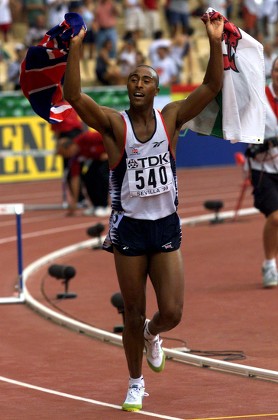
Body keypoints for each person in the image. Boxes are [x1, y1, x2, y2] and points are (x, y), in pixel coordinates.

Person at [63, 12, 224, 411]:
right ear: (127, 87)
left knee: (171, 311)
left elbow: (212, 85)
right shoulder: (115, 127)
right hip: (129, 230)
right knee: (131, 311)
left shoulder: (170, 118)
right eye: (133, 78)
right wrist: (77, 46)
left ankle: (155, 333)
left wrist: (215, 39)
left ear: (156, 89)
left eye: (146, 79)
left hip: (165, 225)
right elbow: (75, 98)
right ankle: (135, 383)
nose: (138, 84)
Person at [244, 56, 278, 288]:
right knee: (275, 218)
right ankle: (269, 265)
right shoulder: (260, 97)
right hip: (263, 168)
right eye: (277, 70)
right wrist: (259, 143)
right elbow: (245, 127)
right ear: (272, 73)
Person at [56, 130, 110, 217]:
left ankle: (105, 206)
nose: (65, 157)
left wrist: (109, 153)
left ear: (69, 147)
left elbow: (109, 137)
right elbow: (75, 178)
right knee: (87, 176)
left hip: (110, 156)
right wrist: (74, 201)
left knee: (101, 175)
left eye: (65, 154)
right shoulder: (74, 158)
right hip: (96, 159)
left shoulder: (88, 137)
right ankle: (96, 205)